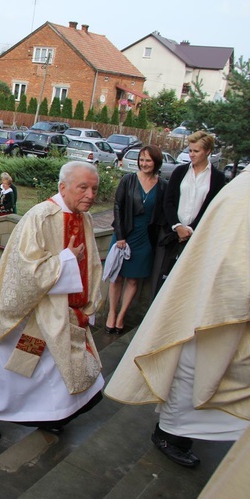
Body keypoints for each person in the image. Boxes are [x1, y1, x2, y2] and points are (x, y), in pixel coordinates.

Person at [105, 170, 250, 468]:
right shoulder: (242, 194)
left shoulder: (229, 182)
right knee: (194, 367)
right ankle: (171, 434)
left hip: (219, 308)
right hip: (215, 310)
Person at [0, 161, 104, 437]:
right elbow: (24, 268)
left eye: (94, 189)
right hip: (28, 314)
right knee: (9, 368)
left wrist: (91, 303)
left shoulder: (85, 218)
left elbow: (94, 265)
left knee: (53, 372)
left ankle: (52, 415)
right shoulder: (40, 216)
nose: (91, 195)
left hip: (64, 313)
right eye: (83, 188)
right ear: (63, 187)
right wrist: (66, 260)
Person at [153, 131, 225, 296]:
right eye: (190, 150)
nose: (191, 154)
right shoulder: (180, 172)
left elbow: (211, 207)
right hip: (172, 234)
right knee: (163, 279)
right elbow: (168, 202)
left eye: (196, 151)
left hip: (197, 237)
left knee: (186, 283)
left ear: (207, 151)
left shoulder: (217, 178)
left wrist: (191, 229)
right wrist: (177, 226)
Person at [106, 146, 167, 334]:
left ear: (156, 162)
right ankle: (111, 313)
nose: (144, 164)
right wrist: (121, 235)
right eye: (141, 160)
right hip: (124, 234)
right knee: (117, 277)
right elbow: (118, 207)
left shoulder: (163, 185)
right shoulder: (128, 180)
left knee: (133, 280)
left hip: (145, 238)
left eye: (148, 160)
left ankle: (121, 316)